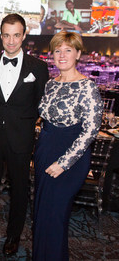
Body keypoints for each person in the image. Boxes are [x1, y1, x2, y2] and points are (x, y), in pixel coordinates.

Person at [0, 14, 49, 256]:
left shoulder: (38, 67)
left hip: (21, 138)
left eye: (16, 35)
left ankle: (13, 235)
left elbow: (42, 105)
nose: (11, 40)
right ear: (1, 36)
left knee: (19, 189)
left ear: (24, 35)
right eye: (6, 35)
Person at [33, 31, 103, 261]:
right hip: (46, 149)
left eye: (68, 50)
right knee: (42, 213)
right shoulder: (51, 84)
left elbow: (90, 131)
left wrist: (63, 163)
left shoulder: (87, 86)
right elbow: (45, 119)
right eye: (57, 50)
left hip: (69, 156)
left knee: (56, 215)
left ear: (78, 53)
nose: (62, 55)